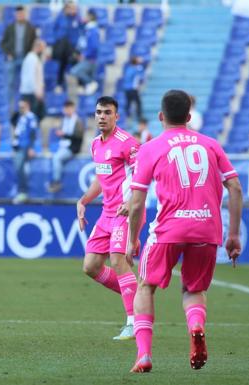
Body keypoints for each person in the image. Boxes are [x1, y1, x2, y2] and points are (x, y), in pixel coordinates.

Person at [126, 89, 243, 373]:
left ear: (160, 116)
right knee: (194, 289)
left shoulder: (151, 148)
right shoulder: (211, 144)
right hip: (206, 229)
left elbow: (137, 200)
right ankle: (196, 325)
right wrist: (233, 235)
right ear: (189, 116)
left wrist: (132, 240)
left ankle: (143, 354)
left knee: (145, 285)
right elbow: (235, 188)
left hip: (169, 229)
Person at [77, 96, 140, 340]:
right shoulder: (95, 144)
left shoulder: (128, 143)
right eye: (99, 112)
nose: (102, 116)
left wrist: (132, 202)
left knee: (117, 259)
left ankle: (134, 321)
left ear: (117, 116)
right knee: (91, 266)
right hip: (107, 212)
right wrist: (83, 201)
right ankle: (137, 296)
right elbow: (101, 180)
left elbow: (141, 176)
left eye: (107, 112)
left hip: (126, 211)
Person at [0, 6, 36, 108]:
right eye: (18, 14)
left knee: (25, 84)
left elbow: (34, 43)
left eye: (22, 14)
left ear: (25, 14)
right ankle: (9, 105)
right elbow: (3, 43)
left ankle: (24, 105)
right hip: (13, 59)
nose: (20, 16)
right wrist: (8, 53)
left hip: (25, 59)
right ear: (15, 15)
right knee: (10, 83)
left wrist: (30, 55)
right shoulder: (10, 27)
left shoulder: (30, 28)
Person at [48, 99, 84, 193]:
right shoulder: (64, 120)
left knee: (57, 158)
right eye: (65, 108)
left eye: (69, 108)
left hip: (72, 148)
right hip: (63, 146)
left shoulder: (78, 121)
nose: (67, 110)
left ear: (73, 109)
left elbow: (78, 136)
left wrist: (64, 134)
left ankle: (56, 182)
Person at [68, 10, 100, 98]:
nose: (84, 17)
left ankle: (91, 82)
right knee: (88, 92)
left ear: (90, 17)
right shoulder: (88, 29)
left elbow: (94, 47)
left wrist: (85, 55)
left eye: (86, 16)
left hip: (90, 59)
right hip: (89, 58)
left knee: (74, 71)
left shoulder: (92, 31)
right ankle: (90, 83)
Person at [11, 99, 37, 204]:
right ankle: (21, 191)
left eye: (23, 107)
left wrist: (31, 147)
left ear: (28, 106)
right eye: (20, 107)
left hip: (25, 146)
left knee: (21, 168)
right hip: (18, 146)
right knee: (19, 169)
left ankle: (23, 192)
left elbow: (32, 133)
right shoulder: (21, 117)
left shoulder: (31, 117)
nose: (21, 109)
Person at [52, 1, 83, 90]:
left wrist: (78, 46)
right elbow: (54, 29)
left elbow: (81, 31)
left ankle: (80, 85)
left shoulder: (77, 18)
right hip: (62, 46)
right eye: (69, 8)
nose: (71, 10)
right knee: (61, 64)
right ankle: (59, 85)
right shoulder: (61, 17)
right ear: (66, 8)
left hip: (73, 47)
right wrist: (58, 39)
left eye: (73, 8)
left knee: (76, 64)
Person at [19, 39, 46, 120]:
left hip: (31, 92)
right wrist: (36, 91)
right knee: (31, 117)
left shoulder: (33, 58)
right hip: (30, 93)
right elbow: (30, 76)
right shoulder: (32, 59)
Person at [123, 56, 144, 121]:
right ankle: (139, 116)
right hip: (133, 88)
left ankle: (126, 116)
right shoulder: (137, 69)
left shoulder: (128, 69)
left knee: (128, 102)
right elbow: (140, 78)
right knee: (138, 102)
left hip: (126, 88)